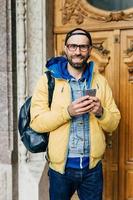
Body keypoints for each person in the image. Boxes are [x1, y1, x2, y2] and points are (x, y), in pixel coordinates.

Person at [30, 28, 121, 200]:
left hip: (92, 170)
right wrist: (67, 112)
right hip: (60, 171)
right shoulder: (48, 81)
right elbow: (36, 122)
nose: (77, 52)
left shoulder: (100, 81)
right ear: (65, 48)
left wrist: (101, 112)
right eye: (73, 46)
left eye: (83, 47)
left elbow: (114, 122)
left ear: (90, 50)